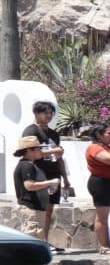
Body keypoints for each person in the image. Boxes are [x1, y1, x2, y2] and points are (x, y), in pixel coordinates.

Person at [21, 101, 69, 251]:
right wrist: (54, 151)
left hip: (53, 175)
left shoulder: (54, 134)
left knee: (49, 211)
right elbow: (29, 152)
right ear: (36, 113)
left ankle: (45, 242)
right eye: (45, 113)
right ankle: (35, 244)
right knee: (38, 211)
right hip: (38, 175)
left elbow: (59, 158)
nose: (49, 116)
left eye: (51, 113)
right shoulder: (31, 131)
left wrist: (65, 178)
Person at [84, 124, 110, 252]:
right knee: (103, 216)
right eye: (109, 134)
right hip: (103, 185)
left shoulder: (107, 147)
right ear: (99, 135)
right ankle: (104, 245)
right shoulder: (94, 148)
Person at [11, 135, 59, 240]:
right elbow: (29, 186)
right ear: (29, 150)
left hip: (36, 209)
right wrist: (50, 182)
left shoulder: (30, 165)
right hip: (31, 209)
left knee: (36, 240)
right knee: (32, 240)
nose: (41, 151)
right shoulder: (26, 165)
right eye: (38, 149)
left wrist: (49, 188)